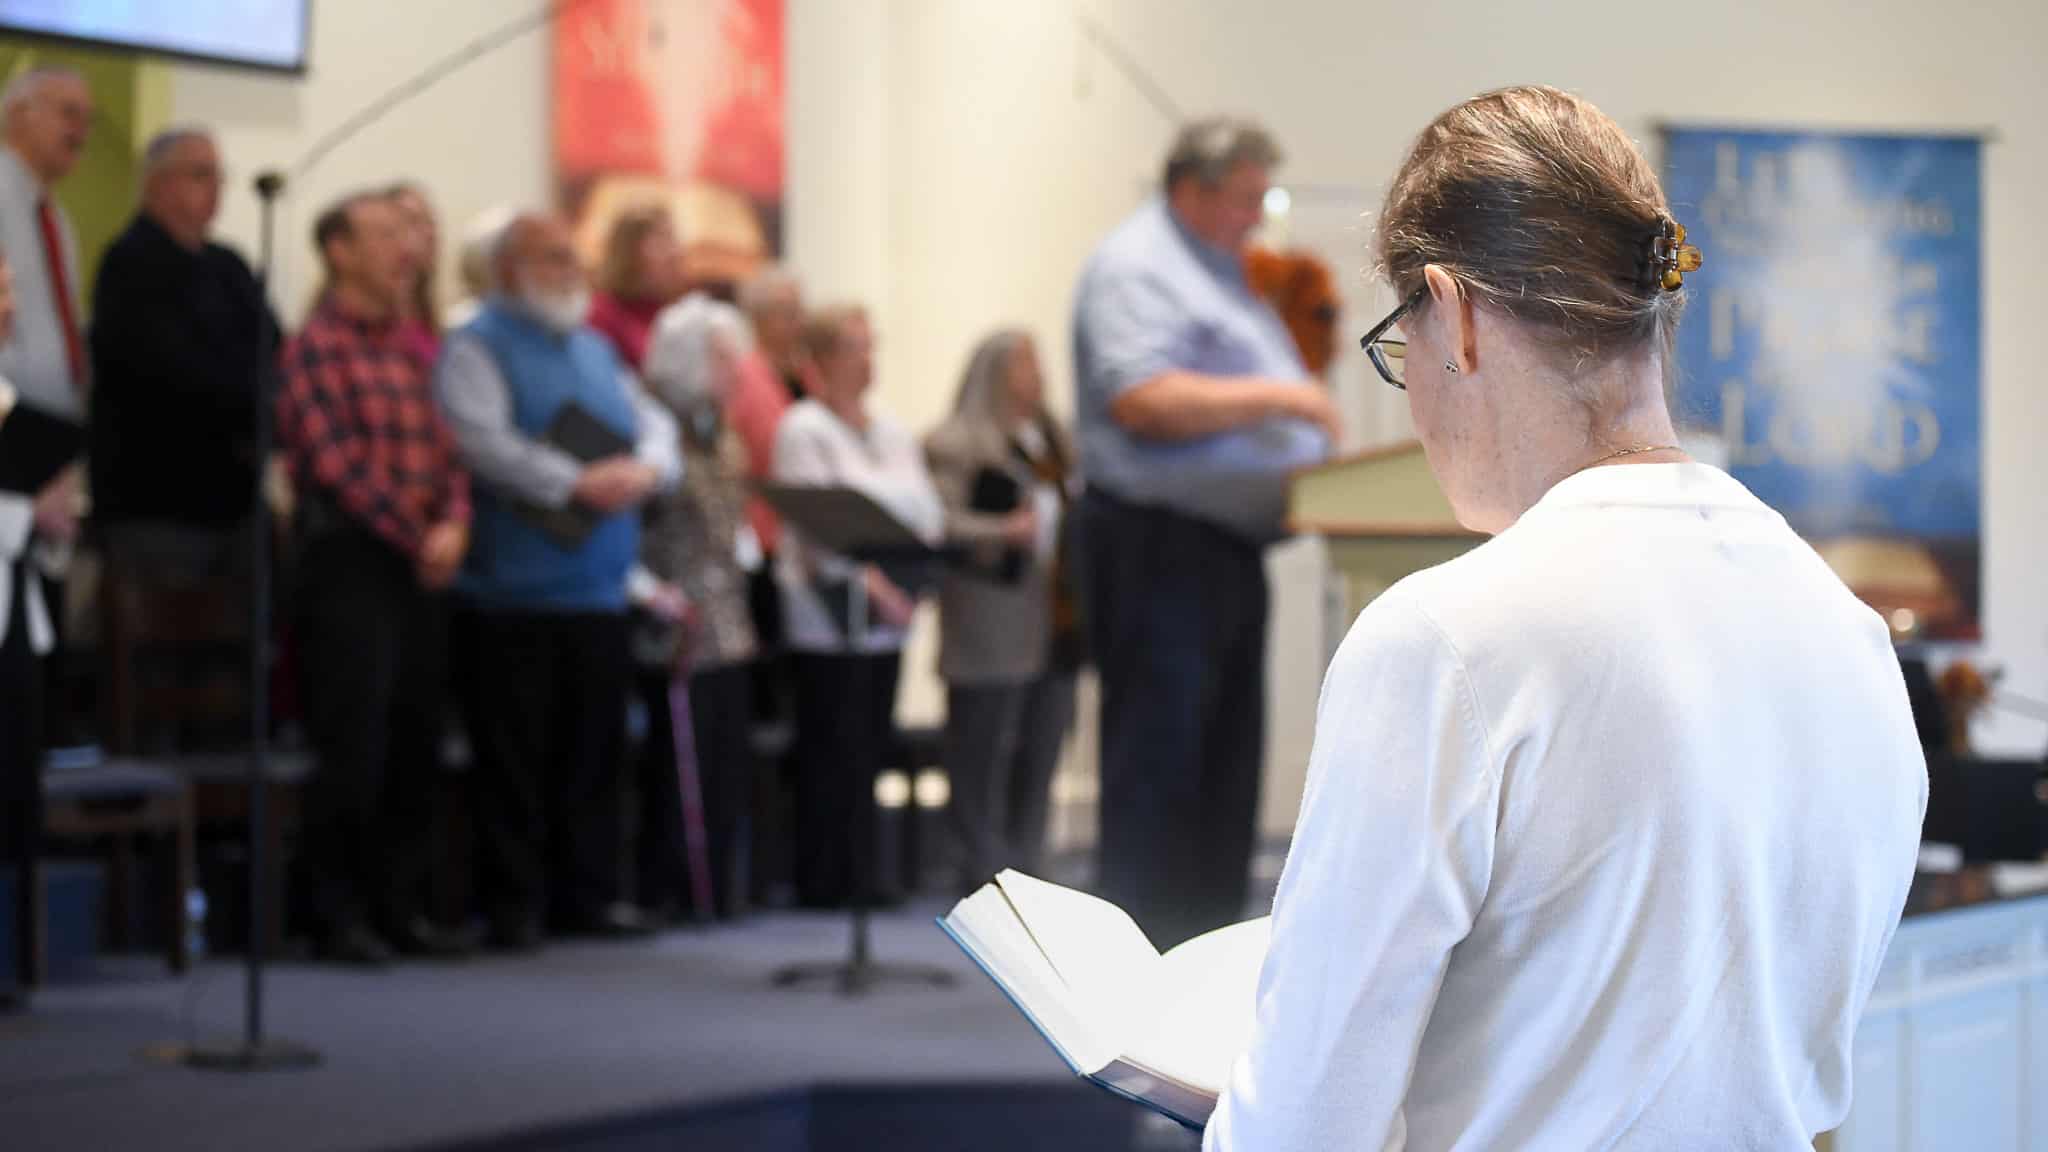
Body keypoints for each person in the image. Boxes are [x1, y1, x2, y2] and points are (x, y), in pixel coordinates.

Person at [1205, 86, 1928, 1151]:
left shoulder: (1447, 643)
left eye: (1398, 344)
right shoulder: (1845, 633)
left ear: (1452, 313)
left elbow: (1299, 1128)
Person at [1071, 117, 1337, 948]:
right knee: (1161, 768)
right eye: (1248, 198)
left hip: (1222, 550)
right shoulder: (1137, 266)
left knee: (1221, 771)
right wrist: (1284, 398)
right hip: (1158, 544)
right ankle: (1139, 963)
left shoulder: (1219, 270)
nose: (1258, 217)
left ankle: (1202, 953)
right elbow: (1142, 399)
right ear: (1194, 188)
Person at [437, 212, 681, 948]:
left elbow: (656, 426)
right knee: (516, 760)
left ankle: (589, 896)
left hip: (598, 589)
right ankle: (514, 906)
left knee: (595, 756)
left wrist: (645, 470)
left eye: (574, 258)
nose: (570, 271)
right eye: (551, 258)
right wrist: (573, 482)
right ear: (509, 270)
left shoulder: (596, 348)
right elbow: (481, 441)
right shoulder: (475, 344)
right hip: (513, 593)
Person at [276, 192, 473, 966]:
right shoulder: (314, 348)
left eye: (407, 235)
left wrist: (456, 522)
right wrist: (422, 534)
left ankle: (401, 906)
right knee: (354, 741)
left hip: (422, 564)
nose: (406, 250)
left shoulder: (412, 346)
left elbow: (449, 449)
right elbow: (337, 467)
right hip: (351, 563)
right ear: (340, 251)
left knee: (415, 740)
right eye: (386, 235)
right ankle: (337, 913)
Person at [88, 128, 277, 753]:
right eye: (200, 173)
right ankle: (153, 798)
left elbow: (275, 349)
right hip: (156, 502)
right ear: (157, 182)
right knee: (156, 672)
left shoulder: (227, 266)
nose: (215, 188)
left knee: (232, 674)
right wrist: (247, 392)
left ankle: (221, 798)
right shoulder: (129, 263)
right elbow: (164, 370)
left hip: (233, 500)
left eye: (218, 175)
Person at [772, 305, 943, 909]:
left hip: (890, 616)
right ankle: (825, 876)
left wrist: (909, 589)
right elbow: (820, 524)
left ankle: (865, 868)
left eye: (871, 346)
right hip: (830, 614)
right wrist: (877, 588)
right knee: (832, 746)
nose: (866, 359)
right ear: (819, 359)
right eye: (852, 347)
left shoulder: (891, 430)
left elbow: (926, 513)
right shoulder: (804, 427)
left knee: (871, 743)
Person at [925, 331, 1080, 890]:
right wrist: (1003, 530)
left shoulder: (1054, 440)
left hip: (1055, 616)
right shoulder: (955, 443)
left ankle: (1028, 861)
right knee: (983, 745)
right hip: (989, 617)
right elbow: (937, 521)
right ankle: (978, 863)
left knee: (1044, 741)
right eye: (1023, 362)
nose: (1036, 372)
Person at [0, 66, 91, 981]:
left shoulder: (53, 216)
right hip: (18, 476)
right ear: (18, 112)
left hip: (34, 476)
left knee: (20, 733)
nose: (81, 130)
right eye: (67, 112)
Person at [637, 295, 763, 920]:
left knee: (726, 760)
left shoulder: (722, 430)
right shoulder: (653, 424)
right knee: (675, 766)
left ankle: (721, 887)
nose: (736, 369)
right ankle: (677, 889)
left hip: (730, 616)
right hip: (676, 618)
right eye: (721, 357)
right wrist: (646, 590)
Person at [588, 206, 685, 372]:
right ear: (628, 252)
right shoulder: (601, 314)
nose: (676, 253)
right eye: (662, 241)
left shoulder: (673, 313)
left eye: (674, 241)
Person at [386, 182, 444, 372]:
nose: (430, 233)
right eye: (413, 222)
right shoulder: (374, 323)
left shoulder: (426, 317)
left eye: (430, 222)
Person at [739, 266, 808, 402]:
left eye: (800, 311)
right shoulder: (746, 378)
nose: (800, 321)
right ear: (759, 319)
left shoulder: (807, 369)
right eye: (789, 313)